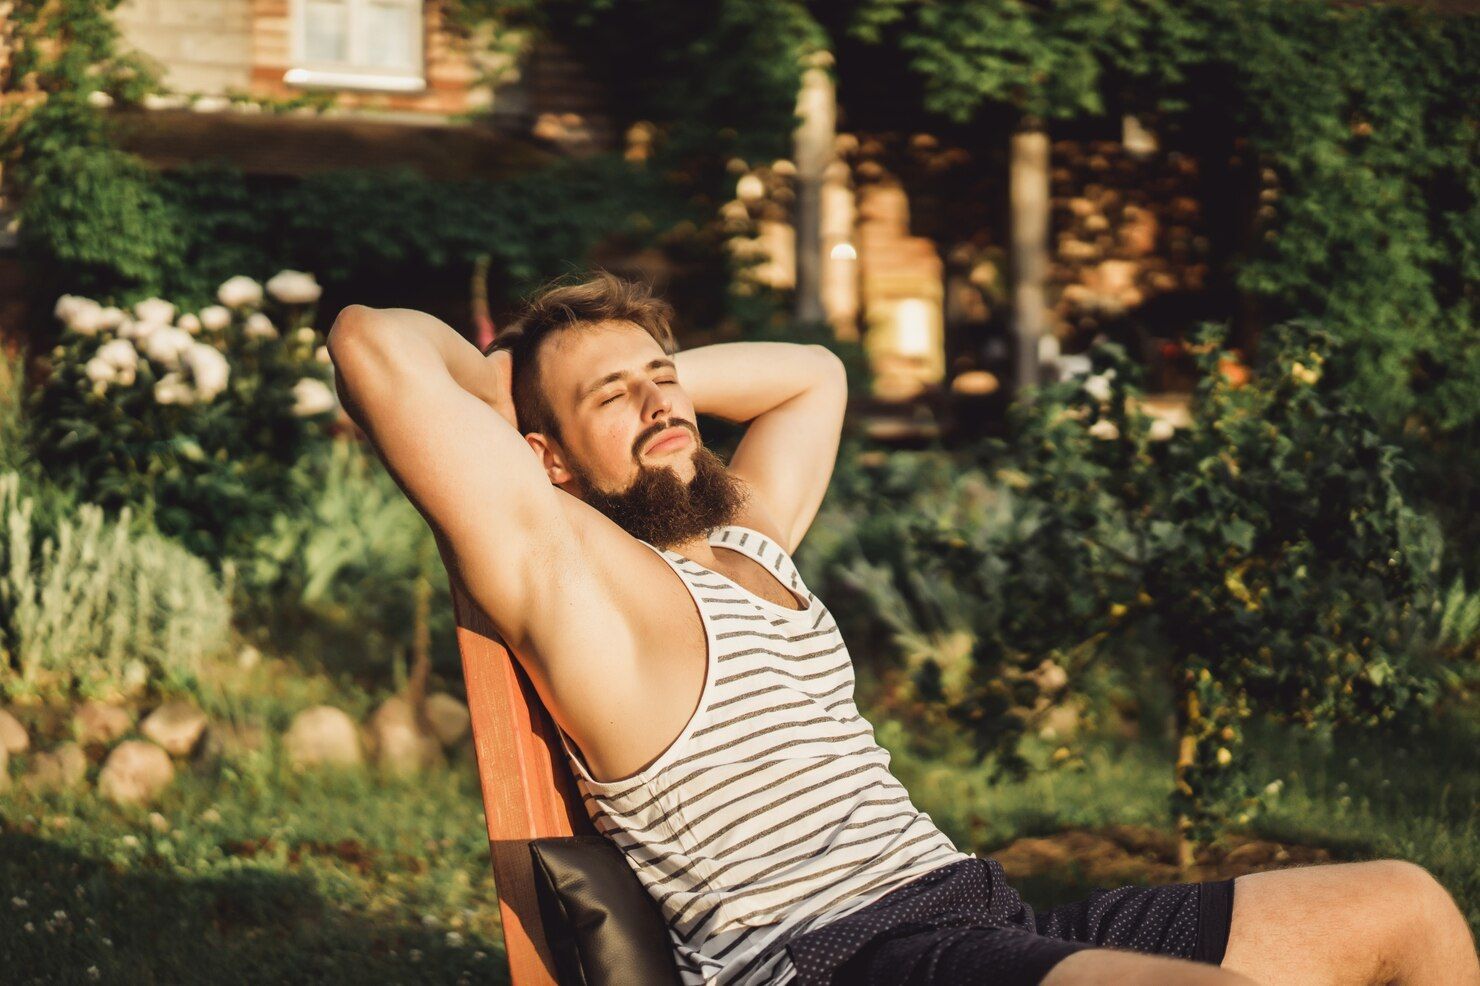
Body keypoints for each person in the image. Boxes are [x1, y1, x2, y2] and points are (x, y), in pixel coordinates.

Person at [327, 270, 1478, 986]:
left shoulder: (743, 536)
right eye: (611, 398)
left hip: (973, 913)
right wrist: (507, 384)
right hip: (846, 956)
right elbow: (370, 339)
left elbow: (812, 376)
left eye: (664, 378)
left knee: (1407, 908)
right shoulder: (582, 584)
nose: (660, 401)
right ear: (546, 459)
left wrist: (639, 380)